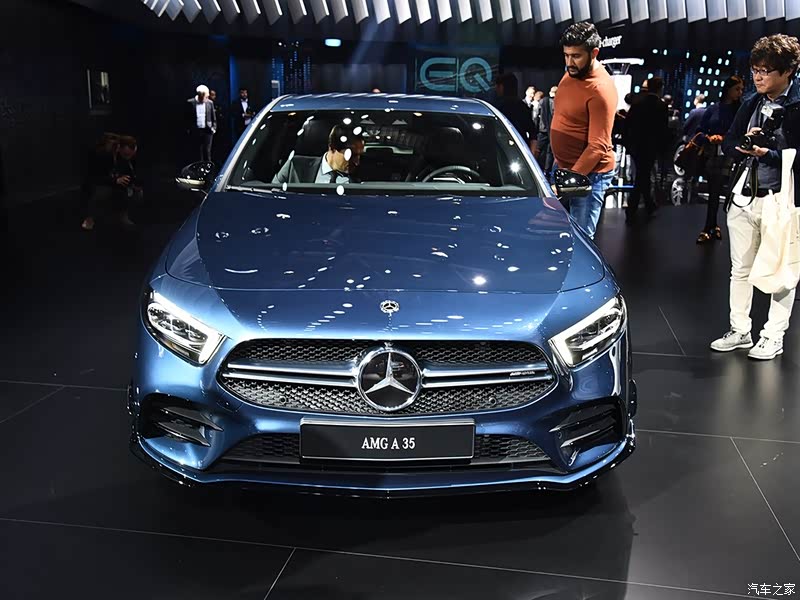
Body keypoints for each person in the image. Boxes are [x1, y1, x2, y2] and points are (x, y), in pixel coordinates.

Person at [710, 34, 800, 360]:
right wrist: (743, 144)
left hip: (782, 200)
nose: (758, 77)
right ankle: (740, 329)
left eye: (765, 71)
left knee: (782, 271)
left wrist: (769, 154)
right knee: (740, 269)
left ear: (787, 71)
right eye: (755, 70)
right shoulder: (751, 102)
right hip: (744, 196)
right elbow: (729, 142)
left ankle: (773, 335)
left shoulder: (797, 105)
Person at [550, 22, 618, 238]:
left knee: (580, 241)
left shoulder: (600, 89)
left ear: (594, 53)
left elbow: (598, 146)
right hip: (565, 168)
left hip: (589, 175)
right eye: (566, 55)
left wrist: (566, 182)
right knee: (555, 236)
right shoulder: (572, 72)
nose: (570, 62)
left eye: (576, 56)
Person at [695, 77, 744, 243]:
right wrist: (709, 138)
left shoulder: (740, 110)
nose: (740, 93)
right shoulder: (713, 109)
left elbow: (743, 133)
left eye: (741, 89)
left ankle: (714, 226)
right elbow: (699, 131)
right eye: (737, 89)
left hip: (733, 155)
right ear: (728, 89)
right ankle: (710, 226)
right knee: (714, 191)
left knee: (727, 193)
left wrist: (726, 139)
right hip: (714, 154)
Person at [623, 76, 670, 224]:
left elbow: (627, 124)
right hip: (651, 147)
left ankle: (647, 205)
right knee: (643, 175)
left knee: (642, 175)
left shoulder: (637, 103)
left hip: (636, 146)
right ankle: (636, 207)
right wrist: (663, 149)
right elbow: (663, 130)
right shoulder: (661, 106)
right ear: (660, 88)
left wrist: (627, 143)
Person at [272, 125, 365, 184]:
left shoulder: (363, 178)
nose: (357, 162)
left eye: (359, 155)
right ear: (332, 147)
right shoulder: (295, 167)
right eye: (352, 155)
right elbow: (273, 194)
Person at [81, 132, 119, 231]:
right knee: (101, 193)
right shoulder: (98, 153)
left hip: (105, 180)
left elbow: (112, 170)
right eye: (111, 142)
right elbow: (96, 174)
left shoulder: (113, 154)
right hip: (96, 181)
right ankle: (90, 218)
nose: (114, 145)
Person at [492, 73, 535, 150]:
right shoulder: (522, 106)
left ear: (502, 87)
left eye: (497, 85)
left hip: (501, 148)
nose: (495, 88)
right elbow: (533, 133)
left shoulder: (497, 106)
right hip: (521, 148)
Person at [187, 84, 216, 162]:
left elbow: (213, 117)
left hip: (208, 130)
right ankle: (199, 167)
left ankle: (208, 167)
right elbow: (187, 117)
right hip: (196, 130)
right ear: (200, 95)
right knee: (197, 152)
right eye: (206, 97)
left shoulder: (210, 103)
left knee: (207, 151)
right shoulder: (190, 103)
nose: (207, 98)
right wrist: (189, 129)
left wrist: (214, 128)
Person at [536, 86, 557, 175]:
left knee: (538, 149)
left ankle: (535, 167)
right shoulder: (557, 102)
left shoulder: (542, 101)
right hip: (552, 130)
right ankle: (547, 170)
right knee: (550, 152)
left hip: (542, 129)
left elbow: (536, 115)